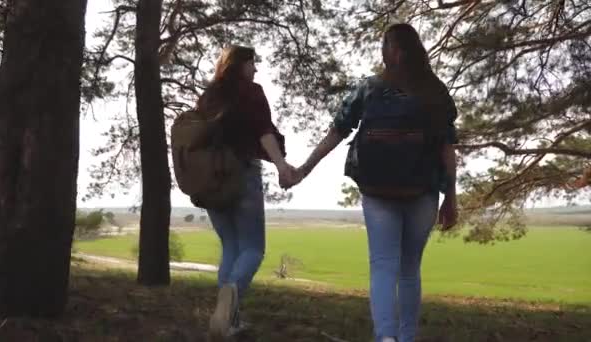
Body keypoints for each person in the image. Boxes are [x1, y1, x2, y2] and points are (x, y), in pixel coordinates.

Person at [285, 23, 458, 342]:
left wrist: (306, 168)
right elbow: (447, 147)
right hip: (422, 191)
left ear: (392, 51)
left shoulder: (369, 88)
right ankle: (406, 338)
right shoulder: (435, 92)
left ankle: (386, 338)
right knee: (409, 269)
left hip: (377, 191)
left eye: (385, 45)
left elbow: (337, 132)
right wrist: (451, 197)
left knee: (382, 266)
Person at [196, 45, 295, 340]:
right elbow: (264, 131)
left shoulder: (209, 96)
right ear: (241, 64)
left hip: (212, 178)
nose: (255, 69)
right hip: (242, 174)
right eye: (253, 63)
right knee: (253, 248)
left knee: (230, 246)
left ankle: (227, 321)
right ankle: (231, 299)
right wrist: (281, 166)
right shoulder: (251, 92)